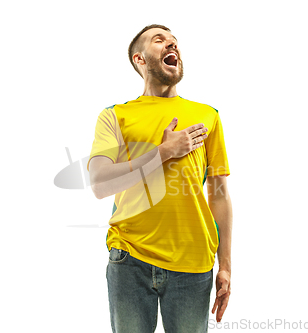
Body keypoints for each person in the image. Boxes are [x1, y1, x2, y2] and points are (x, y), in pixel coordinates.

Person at [87, 24, 232, 333]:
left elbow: (219, 194)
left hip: (194, 263)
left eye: (175, 42)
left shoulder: (208, 115)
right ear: (140, 60)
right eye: (160, 40)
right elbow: (99, 183)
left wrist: (226, 265)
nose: (172, 45)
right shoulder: (115, 115)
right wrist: (163, 152)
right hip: (129, 259)